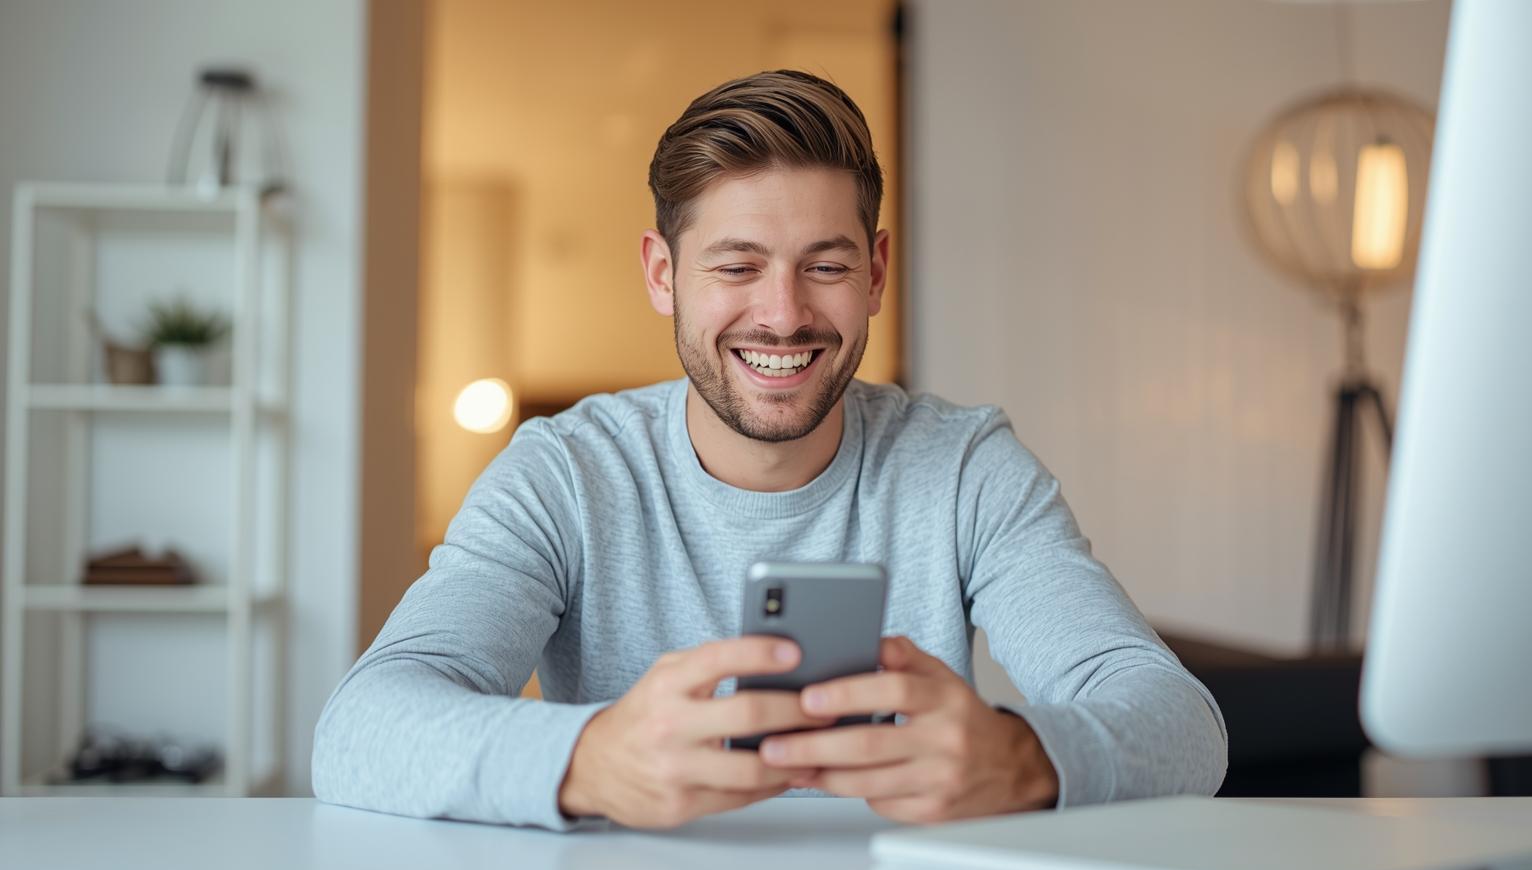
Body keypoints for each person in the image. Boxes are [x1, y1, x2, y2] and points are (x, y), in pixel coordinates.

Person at [312, 70, 1227, 831]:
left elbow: (1183, 723)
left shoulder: (966, 467)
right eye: (737, 266)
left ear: (875, 273)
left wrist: (1024, 758)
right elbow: (358, 729)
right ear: (663, 274)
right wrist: (589, 760)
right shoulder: (564, 474)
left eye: (825, 266)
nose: (784, 315)